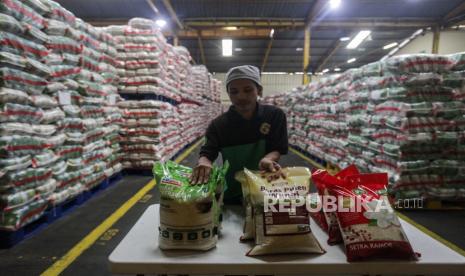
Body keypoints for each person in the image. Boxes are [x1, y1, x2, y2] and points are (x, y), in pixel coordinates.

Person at [190, 65, 288, 204]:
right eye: (234, 91)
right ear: (228, 93)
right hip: (232, 192)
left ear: (259, 90)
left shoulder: (274, 116)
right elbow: (207, 153)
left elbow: (278, 147)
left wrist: (269, 158)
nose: (240, 96)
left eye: (247, 90)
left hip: (266, 189)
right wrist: (204, 163)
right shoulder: (219, 125)